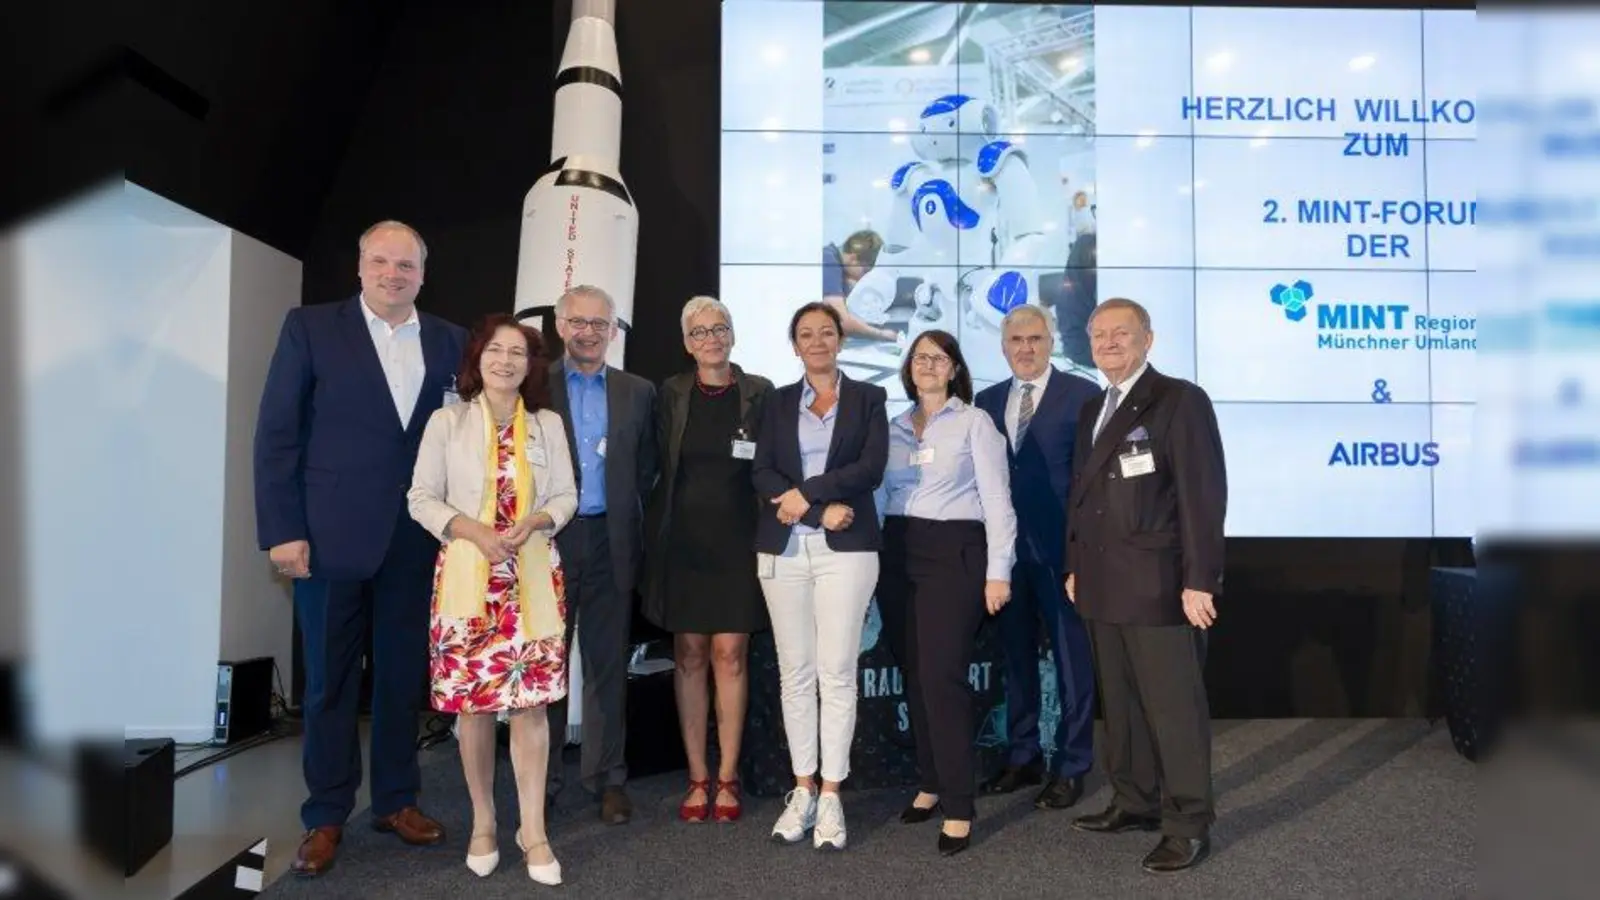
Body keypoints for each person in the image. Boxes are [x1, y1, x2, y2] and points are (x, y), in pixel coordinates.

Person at [253, 220, 467, 876]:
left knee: (403, 681)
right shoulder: (310, 327)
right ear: (360, 266)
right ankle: (324, 815)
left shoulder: (451, 341)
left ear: (423, 275)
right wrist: (282, 531)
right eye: (382, 262)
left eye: (406, 265)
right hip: (326, 540)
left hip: (414, 543)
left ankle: (397, 801)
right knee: (327, 685)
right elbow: (277, 434)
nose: (393, 274)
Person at [407, 315, 572, 885]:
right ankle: (483, 821)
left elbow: (567, 496)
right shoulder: (446, 422)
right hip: (468, 576)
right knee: (474, 708)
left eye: (519, 353)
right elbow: (420, 498)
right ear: (478, 358)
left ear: (532, 366)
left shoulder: (547, 424)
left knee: (531, 707)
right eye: (496, 350)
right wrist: (472, 531)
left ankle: (534, 831)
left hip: (529, 579)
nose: (506, 361)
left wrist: (537, 520)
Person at [1064, 297, 1227, 874]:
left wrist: (1200, 579)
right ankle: (1133, 801)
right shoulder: (1092, 409)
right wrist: (1074, 565)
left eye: (1121, 333)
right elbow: (1081, 499)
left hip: (1160, 586)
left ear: (1148, 339)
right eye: (1098, 334)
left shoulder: (1180, 400)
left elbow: (1202, 497)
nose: (1108, 343)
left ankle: (1187, 824)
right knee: (1124, 707)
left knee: (1173, 710)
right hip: (1101, 585)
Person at [751, 301, 887, 850]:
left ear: (839, 340)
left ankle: (832, 793)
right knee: (795, 675)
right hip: (783, 551)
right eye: (806, 334)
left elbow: (870, 469)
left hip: (847, 552)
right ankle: (802, 788)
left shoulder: (869, 398)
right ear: (795, 344)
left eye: (826, 332)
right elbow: (761, 470)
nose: (817, 341)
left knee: (836, 673)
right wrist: (813, 511)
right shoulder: (777, 403)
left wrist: (810, 492)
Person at [876, 329, 1017, 856]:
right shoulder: (891, 428)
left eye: (938, 357)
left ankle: (959, 804)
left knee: (942, 678)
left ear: (955, 368)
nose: (927, 365)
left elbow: (998, 502)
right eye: (919, 357)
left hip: (954, 555)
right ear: (908, 368)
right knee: (914, 673)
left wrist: (999, 570)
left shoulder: (975, 423)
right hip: (898, 554)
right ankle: (931, 783)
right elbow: (878, 497)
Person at [642, 296, 773, 824]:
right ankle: (698, 775)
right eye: (699, 332)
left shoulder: (760, 393)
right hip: (683, 546)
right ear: (686, 343)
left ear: (734, 334)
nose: (711, 339)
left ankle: (729, 775)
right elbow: (653, 465)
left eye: (720, 328)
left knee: (731, 656)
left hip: (739, 546)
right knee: (691, 654)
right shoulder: (669, 395)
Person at [973, 305, 1100, 810]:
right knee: (1016, 660)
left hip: (1063, 553)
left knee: (1074, 662)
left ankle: (1072, 765)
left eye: (1035, 339)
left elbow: (1093, 483)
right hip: (1004, 558)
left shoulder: (1084, 395)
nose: (1026, 348)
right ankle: (1022, 755)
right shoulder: (984, 401)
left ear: (1051, 343)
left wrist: (1081, 554)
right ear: (1003, 347)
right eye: (1016, 340)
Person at [544, 284, 659, 825]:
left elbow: (648, 469)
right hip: (546, 545)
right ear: (560, 325)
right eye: (578, 321)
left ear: (614, 331)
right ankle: (539, 779)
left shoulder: (639, 392)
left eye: (600, 323)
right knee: (544, 665)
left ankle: (608, 777)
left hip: (612, 541)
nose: (588, 332)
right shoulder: (532, 385)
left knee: (608, 664)